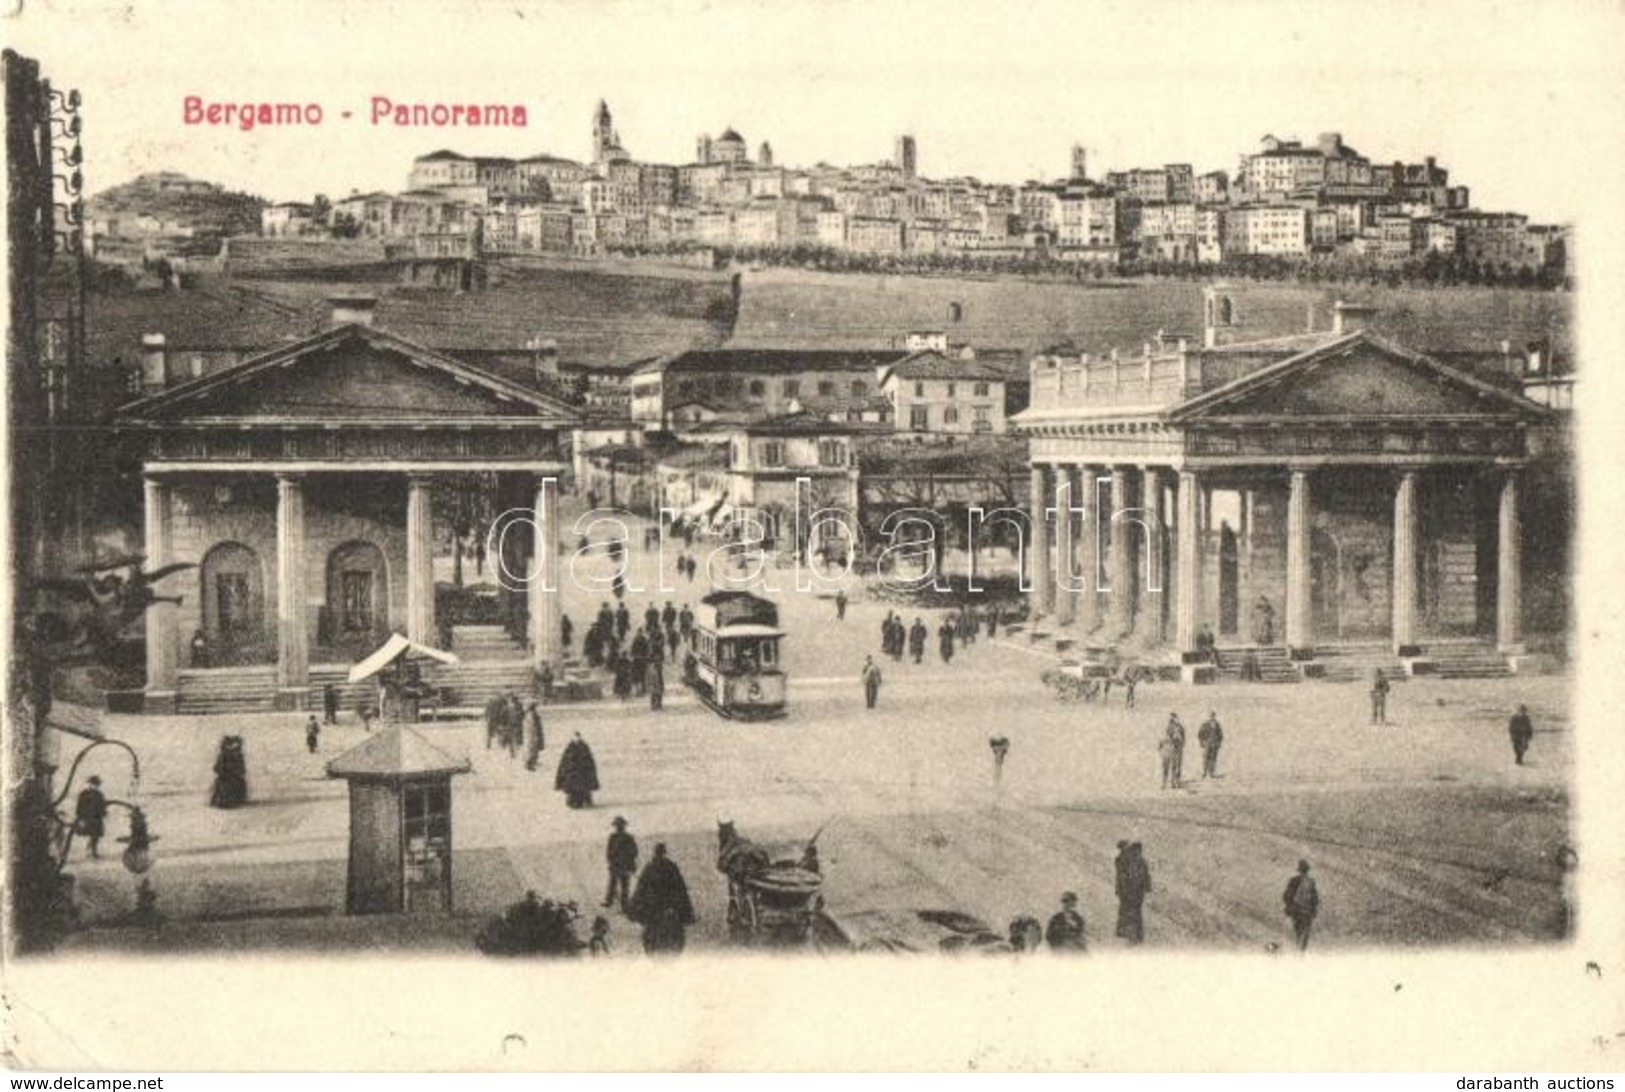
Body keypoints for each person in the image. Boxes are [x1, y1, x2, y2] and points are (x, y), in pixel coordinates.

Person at [628, 843, 697, 955]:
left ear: (655, 853)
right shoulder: (671, 867)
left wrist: (634, 908)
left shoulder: (650, 867)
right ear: (664, 853)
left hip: (653, 910)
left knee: (651, 940)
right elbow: (680, 888)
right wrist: (686, 911)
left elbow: (641, 889)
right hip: (669, 909)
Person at [1114, 841, 1152, 945]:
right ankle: (1131, 934)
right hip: (1129, 892)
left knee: (1133, 912)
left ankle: (1134, 935)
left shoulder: (1138, 861)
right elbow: (1121, 877)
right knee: (1130, 912)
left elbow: (1145, 876)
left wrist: (1147, 887)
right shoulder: (1124, 860)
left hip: (1135, 892)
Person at [603, 816, 639, 913]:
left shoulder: (629, 838)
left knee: (624, 885)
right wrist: (611, 859)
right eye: (618, 826)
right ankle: (609, 900)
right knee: (613, 883)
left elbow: (635, 851)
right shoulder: (612, 837)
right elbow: (608, 851)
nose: (619, 828)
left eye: (620, 826)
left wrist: (629, 860)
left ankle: (624, 904)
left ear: (623, 826)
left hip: (624, 865)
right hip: (616, 865)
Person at [1283, 859, 1320, 952]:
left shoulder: (1294, 880)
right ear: (1307, 870)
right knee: (1305, 932)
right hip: (1307, 912)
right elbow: (1315, 898)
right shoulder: (1311, 882)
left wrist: (1289, 906)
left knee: (1298, 931)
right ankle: (1301, 950)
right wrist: (1314, 909)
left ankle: (1298, 949)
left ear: (1299, 870)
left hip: (1297, 911)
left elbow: (1287, 895)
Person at [555, 733, 600, 809]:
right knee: (576, 790)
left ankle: (580, 800)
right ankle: (576, 801)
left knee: (581, 789)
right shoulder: (571, 749)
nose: (577, 739)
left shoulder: (582, 748)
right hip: (574, 778)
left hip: (580, 777)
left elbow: (589, 764)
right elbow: (564, 765)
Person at [74, 776, 108, 860]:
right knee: (90, 834)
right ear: (89, 784)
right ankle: (89, 850)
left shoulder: (99, 794)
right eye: (92, 784)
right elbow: (79, 807)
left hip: (96, 818)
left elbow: (102, 807)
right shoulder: (83, 794)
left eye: (96, 785)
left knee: (95, 836)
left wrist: (103, 813)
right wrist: (80, 817)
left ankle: (93, 851)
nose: (94, 786)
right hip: (86, 818)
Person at [210, 736, 248, 809]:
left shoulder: (236, 755)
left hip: (230, 780)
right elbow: (217, 768)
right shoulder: (225, 755)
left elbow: (242, 770)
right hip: (227, 780)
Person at [1197, 712, 1224, 779]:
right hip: (1207, 744)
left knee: (1213, 759)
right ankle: (1204, 772)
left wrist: (1219, 743)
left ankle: (1211, 773)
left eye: (1214, 716)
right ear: (1210, 717)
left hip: (1214, 744)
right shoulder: (1205, 724)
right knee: (1206, 758)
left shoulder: (1217, 725)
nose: (1213, 717)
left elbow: (1221, 735)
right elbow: (1200, 734)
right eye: (1211, 716)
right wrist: (1202, 742)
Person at [522, 699, 546, 771]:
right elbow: (532, 727)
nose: (536, 707)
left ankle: (533, 762)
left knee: (534, 749)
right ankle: (529, 764)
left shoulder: (532, 714)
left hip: (534, 735)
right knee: (531, 750)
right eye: (535, 706)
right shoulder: (531, 715)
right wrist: (535, 736)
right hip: (532, 736)